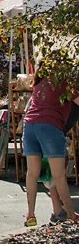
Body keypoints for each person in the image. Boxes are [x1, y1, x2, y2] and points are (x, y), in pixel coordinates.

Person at [23, 67, 79, 227]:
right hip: (50, 126)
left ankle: (30, 215)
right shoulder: (65, 82)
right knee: (59, 175)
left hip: (30, 126)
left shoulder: (39, 82)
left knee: (32, 174)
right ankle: (70, 215)